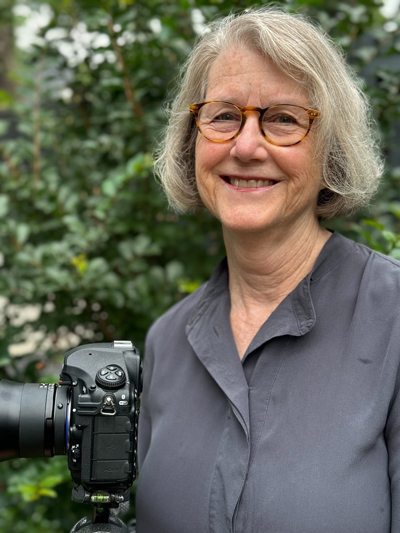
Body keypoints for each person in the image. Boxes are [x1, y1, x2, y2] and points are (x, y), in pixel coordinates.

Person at [135, 7, 399, 533]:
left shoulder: (394, 318)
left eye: (283, 118)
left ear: (331, 150)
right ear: (193, 140)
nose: (247, 146)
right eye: (224, 115)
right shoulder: (166, 342)